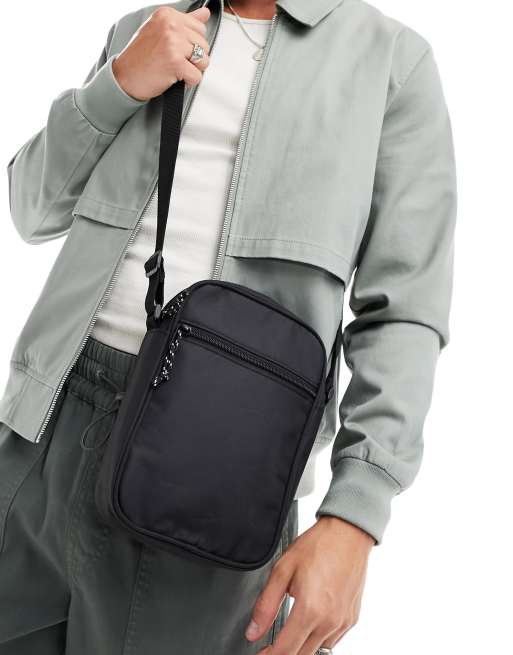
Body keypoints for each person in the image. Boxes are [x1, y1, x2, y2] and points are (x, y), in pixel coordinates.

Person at [0, 0, 456, 653]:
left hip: (217, 465)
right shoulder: (147, 28)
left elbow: (405, 309)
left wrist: (356, 513)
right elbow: (30, 208)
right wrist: (118, 84)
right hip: (40, 433)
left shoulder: (391, 64)